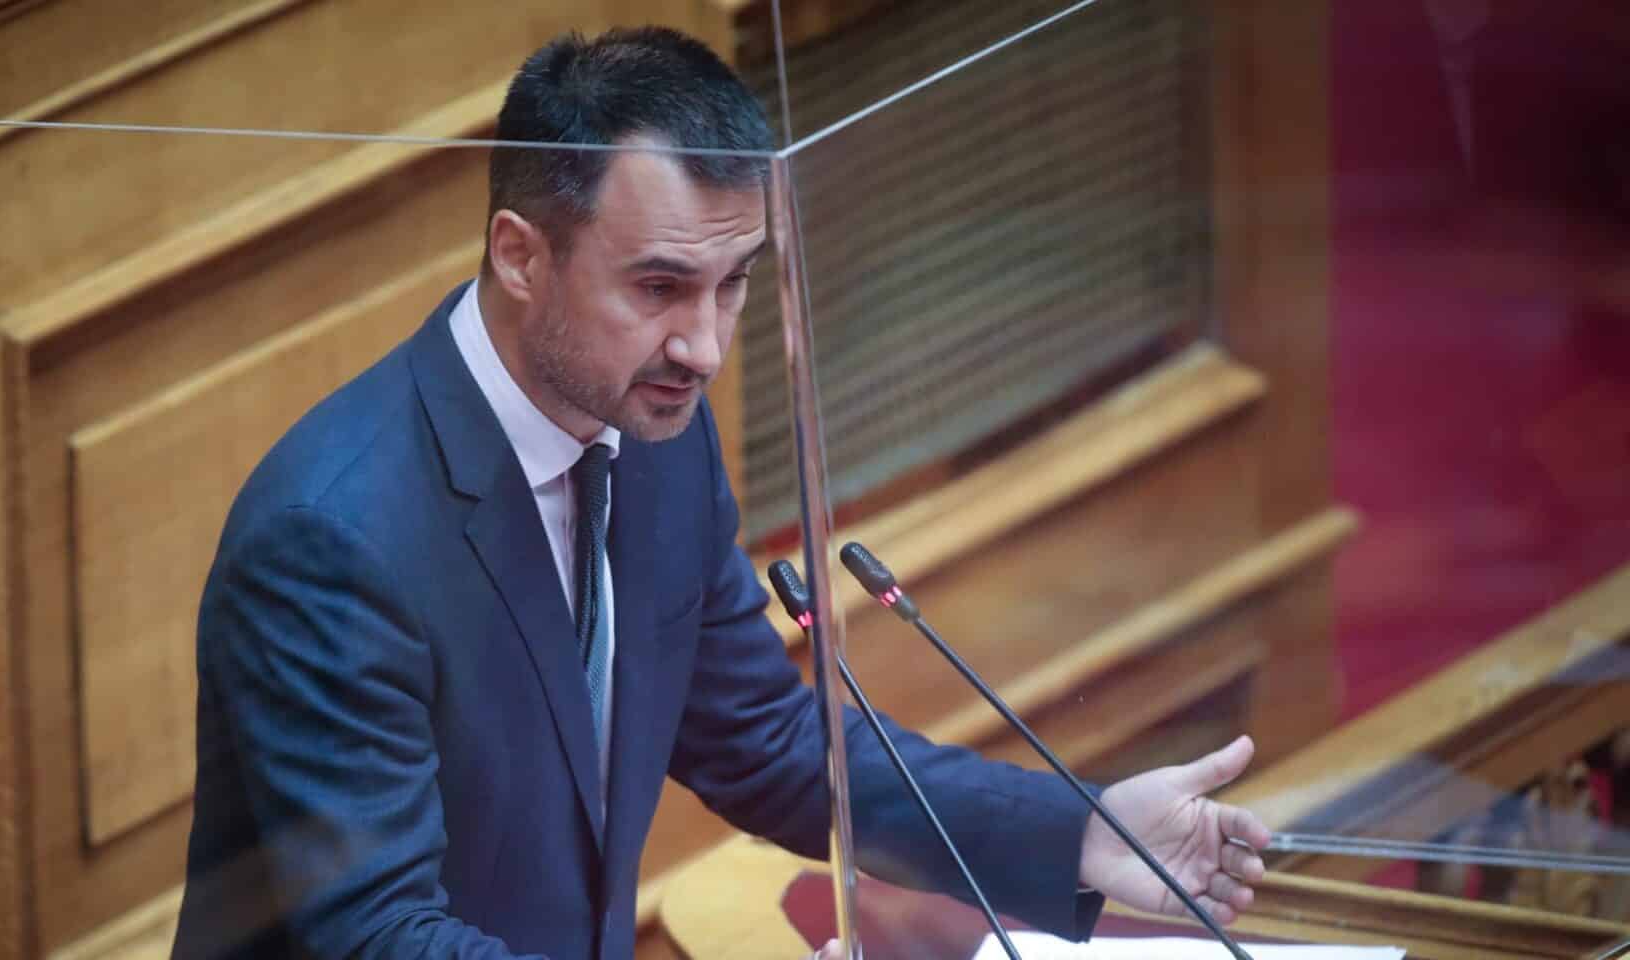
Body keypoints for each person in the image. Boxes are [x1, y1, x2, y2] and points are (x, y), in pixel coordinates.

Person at [171, 26, 1272, 960]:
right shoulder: (331, 540)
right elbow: (379, 935)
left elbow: (763, 740)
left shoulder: (653, 434)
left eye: (733, 283)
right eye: (659, 286)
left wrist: (1082, 832)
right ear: (520, 256)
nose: (702, 347)